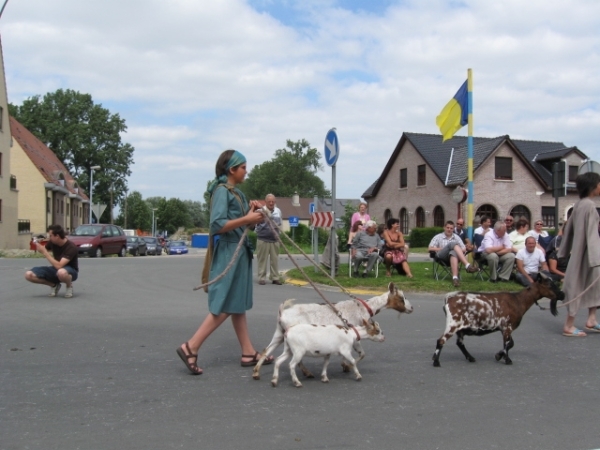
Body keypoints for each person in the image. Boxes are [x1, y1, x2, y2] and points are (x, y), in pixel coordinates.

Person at [176, 150, 273, 374]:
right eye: (243, 167)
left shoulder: (235, 192)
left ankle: (248, 352)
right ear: (231, 170)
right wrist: (248, 218)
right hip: (229, 250)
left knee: (237, 303)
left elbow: (238, 224)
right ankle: (191, 346)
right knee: (225, 303)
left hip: (238, 250)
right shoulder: (222, 192)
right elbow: (217, 225)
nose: (246, 171)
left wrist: (251, 214)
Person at [558, 172, 600, 337]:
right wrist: (597, 258)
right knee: (577, 285)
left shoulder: (579, 204)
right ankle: (569, 325)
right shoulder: (589, 205)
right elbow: (591, 234)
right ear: (593, 186)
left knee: (595, 286)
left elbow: (568, 231)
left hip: (583, 253)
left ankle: (591, 319)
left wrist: (563, 250)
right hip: (588, 255)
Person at [25, 224, 79, 298]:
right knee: (29, 275)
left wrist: (45, 252)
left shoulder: (71, 247)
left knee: (61, 272)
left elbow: (59, 265)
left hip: (70, 270)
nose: (49, 238)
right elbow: (45, 249)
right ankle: (54, 285)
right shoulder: (53, 242)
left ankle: (69, 286)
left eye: (50, 236)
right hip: (55, 269)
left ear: (57, 236)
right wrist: (38, 244)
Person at [428, 220, 479, 287]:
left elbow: (463, 249)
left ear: (453, 229)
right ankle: (467, 265)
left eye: (451, 228)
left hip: (453, 258)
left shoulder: (456, 237)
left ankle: (455, 278)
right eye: (448, 228)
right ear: (444, 228)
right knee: (452, 244)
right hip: (441, 257)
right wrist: (443, 248)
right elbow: (430, 248)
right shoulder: (438, 237)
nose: (449, 230)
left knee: (453, 252)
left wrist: (456, 249)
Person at [255, 193, 282, 285]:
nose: (271, 203)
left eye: (273, 201)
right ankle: (261, 278)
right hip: (263, 239)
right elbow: (256, 225)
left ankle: (275, 278)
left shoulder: (278, 211)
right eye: (269, 201)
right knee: (262, 259)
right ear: (265, 202)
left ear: (275, 202)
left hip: (275, 239)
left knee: (274, 260)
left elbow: (280, 224)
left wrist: (279, 237)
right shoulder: (259, 211)